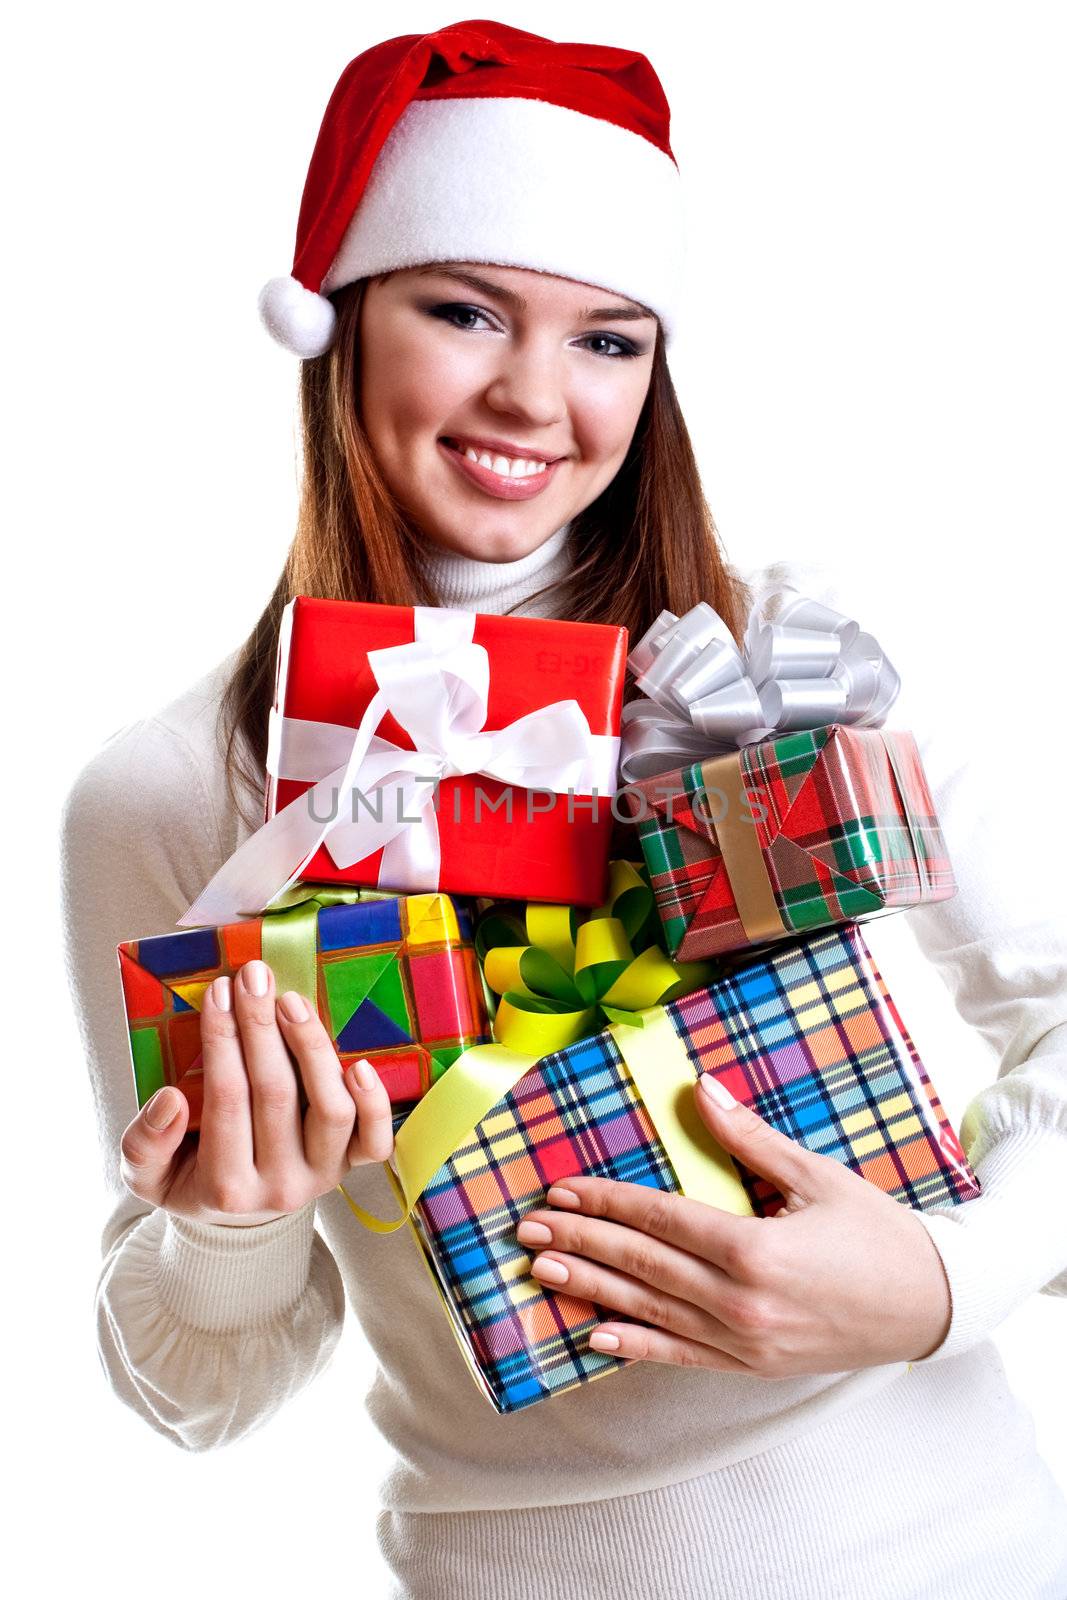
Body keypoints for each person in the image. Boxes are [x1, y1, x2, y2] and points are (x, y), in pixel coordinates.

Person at [59, 20, 1067, 1600]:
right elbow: (188, 1388)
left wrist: (942, 1278)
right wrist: (237, 1228)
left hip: (965, 1555)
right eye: (464, 311)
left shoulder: (783, 669)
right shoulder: (183, 791)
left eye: (609, 338)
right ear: (338, 328)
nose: (536, 397)